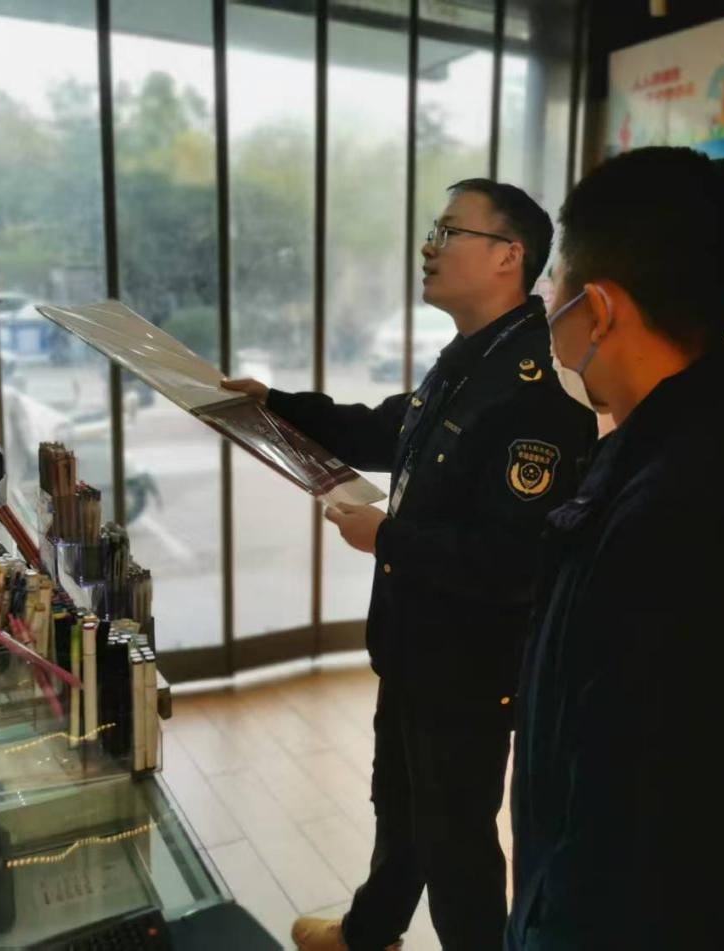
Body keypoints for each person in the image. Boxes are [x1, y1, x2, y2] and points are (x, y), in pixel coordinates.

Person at [223, 179, 597, 951]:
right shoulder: (471, 359)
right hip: (415, 638)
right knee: (398, 802)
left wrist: (385, 538)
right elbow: (385, 428)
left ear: (508, 256)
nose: (429, 245)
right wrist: (275, 402)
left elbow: (513, 561)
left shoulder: (537, 387)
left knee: (455, 835)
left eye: (449, 231)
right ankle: (370, 930)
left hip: (469, 657)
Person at [508, 147, 724, 949]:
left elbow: (629, 832)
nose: (547, 306)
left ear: (598, 308)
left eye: (554, 281)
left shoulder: (680, 509)